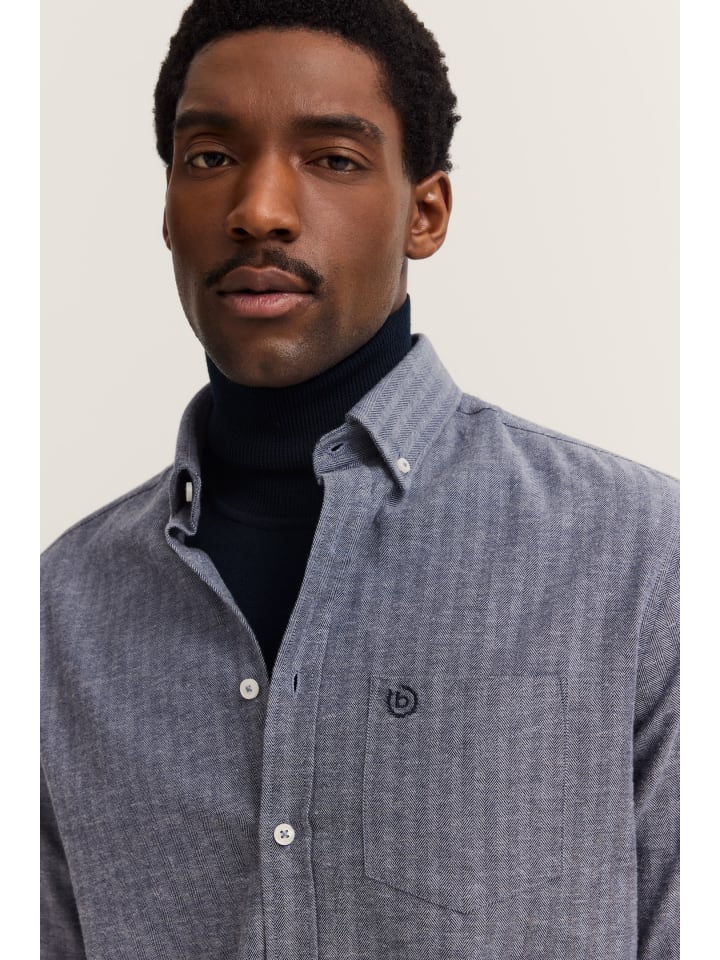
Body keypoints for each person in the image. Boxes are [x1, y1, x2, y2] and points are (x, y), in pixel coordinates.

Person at [40, 1, 679, 958]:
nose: (259, 209)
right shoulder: (58, 612)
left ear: (426, 212)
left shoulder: (642, 557)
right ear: (168, 210)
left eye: (332, 158)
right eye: (209, 157)